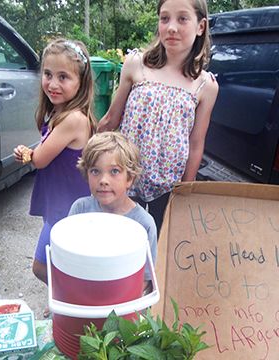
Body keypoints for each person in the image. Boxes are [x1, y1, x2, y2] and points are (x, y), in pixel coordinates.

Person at [97, 0, 218, 235]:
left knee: (157, 247)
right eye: (164, 18)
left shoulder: (206, 85)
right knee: (119, 240)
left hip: (168, 186)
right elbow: (111, 120)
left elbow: (196, 144)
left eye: (182, 19)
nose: (171, 27)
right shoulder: (136, 64)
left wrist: (183, 191)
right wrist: (90, 157)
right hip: (124, 177)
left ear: (200, 26)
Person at [13, 38, 95, 287]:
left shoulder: (73, 119)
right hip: (59, 199)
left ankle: (73, 296)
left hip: (67, 207)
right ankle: (66, 296)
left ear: (81, 83)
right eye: (48, 74)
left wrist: (26, 153)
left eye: (63, 77)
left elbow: (39, 159)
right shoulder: (58, 113)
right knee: (59, 259)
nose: (53, 83)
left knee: (41, 266)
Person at [69, 132, 157, 292]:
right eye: (95, 171)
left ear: (129, 178)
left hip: (121, 304)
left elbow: (145, 279)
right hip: (82, 295)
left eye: (114, 171)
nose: (103, 180)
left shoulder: (144, 223)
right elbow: (68, 261)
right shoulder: (80, 210)